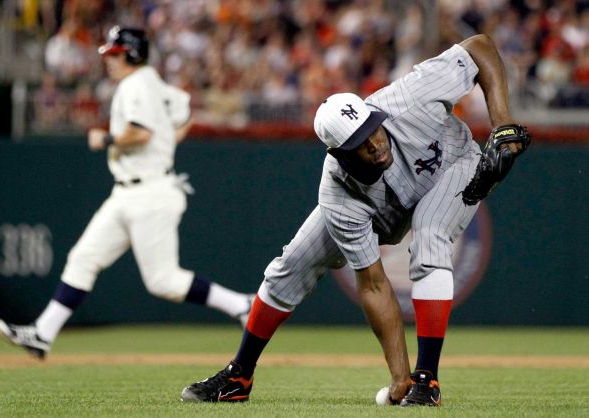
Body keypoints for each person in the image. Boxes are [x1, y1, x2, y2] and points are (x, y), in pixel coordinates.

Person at [180, 34, 528, 406]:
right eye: (359, 143)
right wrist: (398, 377)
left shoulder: (410, 97)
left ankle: (427, 380)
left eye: (371, 129)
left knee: (429, 234)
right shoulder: (337, 191)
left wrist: (502, 123)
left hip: (454, 168)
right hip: (374, 206)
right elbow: (375, 285)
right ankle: (239, 376)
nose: (374, 144)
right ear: (338, 155)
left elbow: (480, 47)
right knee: (291, 265)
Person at [0, 26, 254, 360]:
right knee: (83, 258)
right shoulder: (154, 83)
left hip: (149, 193)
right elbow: (184, 109)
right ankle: (43, 333)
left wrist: (108, 140)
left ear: (131, 53)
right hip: (130, 192)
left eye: (115, 54)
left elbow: (141, 132)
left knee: (164, 281)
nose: (109, 61)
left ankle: (241, 305)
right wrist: (166, 142)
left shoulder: (135, 84)